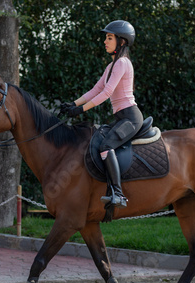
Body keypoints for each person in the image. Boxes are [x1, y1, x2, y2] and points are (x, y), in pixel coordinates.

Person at [61, 20, 143, 209]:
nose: (105, 41)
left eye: (109, 38)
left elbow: (106, 94)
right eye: (106, 38)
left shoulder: (122, 63)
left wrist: (80, 110)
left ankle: (118, 194)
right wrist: (73, 104)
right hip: (121, 117)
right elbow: (95, 90)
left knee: (106, 146)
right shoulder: (111, 66)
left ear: (121, 42)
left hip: (130, 118)